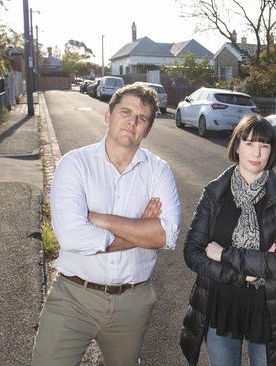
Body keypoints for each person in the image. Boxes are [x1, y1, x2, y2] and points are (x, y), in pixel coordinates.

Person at [31, 84, 181, 366]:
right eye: (126, 112)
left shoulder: (158, 170)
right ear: (108, 115)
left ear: (147, 129)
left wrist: (100, 219)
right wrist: (140, 230)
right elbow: (72, 237)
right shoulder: (74, 164)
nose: (132, 121)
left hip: (132, 301)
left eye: (142, 118)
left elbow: (167, 235)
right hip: (74, 297)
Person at [180, 116, 276, 366]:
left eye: (264, 146)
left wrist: (224, 255)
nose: (257, 153)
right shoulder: (214, 192)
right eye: (249, 143)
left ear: (272, 152)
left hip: (268, 308)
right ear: (237, 146)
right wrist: (244, 274)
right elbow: (192, 252)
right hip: (220, 304)